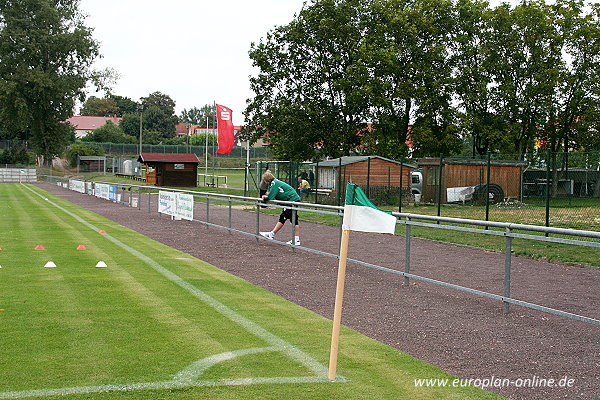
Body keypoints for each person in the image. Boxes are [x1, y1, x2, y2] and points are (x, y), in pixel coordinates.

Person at [259, 171, 301, 245]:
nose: (264, 182)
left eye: (264, 180)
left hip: (291, 200)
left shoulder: (275, 183)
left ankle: (272, 234)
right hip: (290, 200)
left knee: (284, 217)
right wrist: (265, 196)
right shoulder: (271, 184)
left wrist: (265, 198)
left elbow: (270, 197)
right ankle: (296, 240)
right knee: (293, 220)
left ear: (267, 179)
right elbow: (268, 193)